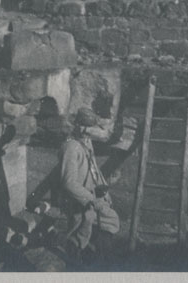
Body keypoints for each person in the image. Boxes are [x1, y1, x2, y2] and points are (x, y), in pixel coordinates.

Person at [59, 107, 120, 263]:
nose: (89, 135)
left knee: (100, 224)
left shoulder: (86, 142)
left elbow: (93, 169)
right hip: (78, 200)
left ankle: (90, 256)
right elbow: (69, 182)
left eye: (90, 130)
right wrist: (91, 200)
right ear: (78, 126)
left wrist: (106, 184)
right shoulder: (71, 148)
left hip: (91, 195)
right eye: (86, 130)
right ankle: (75, 257)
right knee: (100, 222)